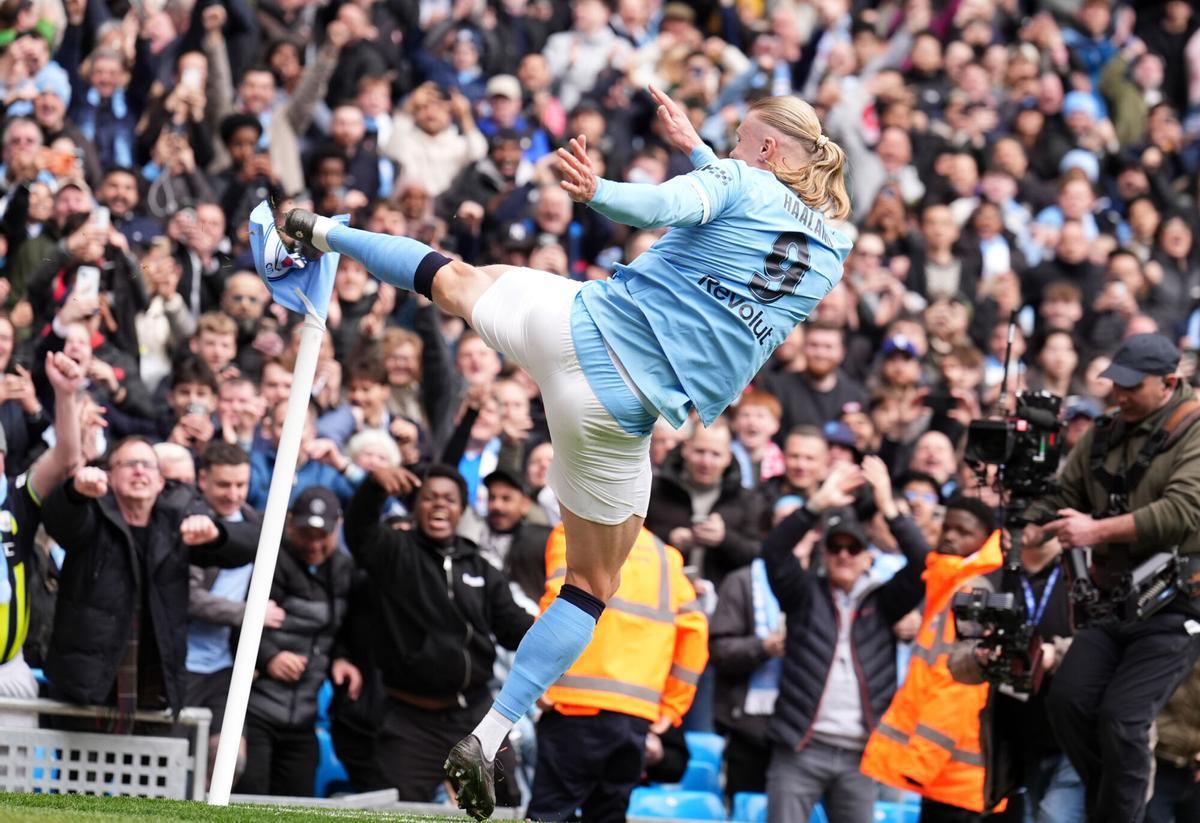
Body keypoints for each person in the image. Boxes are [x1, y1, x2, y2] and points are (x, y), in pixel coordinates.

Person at [277, 84, 850, 819]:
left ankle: (320, 231)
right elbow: (752, 213)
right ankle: (490, 733)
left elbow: (666, 205)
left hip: (573, 325)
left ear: (766, 149)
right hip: (616, 413)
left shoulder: (738, 180)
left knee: (456, 277)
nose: (731, 149)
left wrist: (599, 190)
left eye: (740, 138)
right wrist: (703, 151)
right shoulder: (832, 250)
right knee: (590, 583)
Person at [1024, 333, 1200, 823]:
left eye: (1132, 386)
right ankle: (1109, 805)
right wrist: (1031, 523)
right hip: (1112, 598)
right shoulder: (1104, 432)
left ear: (1169, 383)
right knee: (1069, 700)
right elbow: (1064, 493)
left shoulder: (1195, 431)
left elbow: (1183, 511)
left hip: (1176, 603)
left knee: (1124, 718)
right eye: (1115, 383)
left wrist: (1095, 530)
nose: (1119, 394)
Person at [342, 464, 534, 807]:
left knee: (503, 807)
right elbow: (359, 531)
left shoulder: (480, 568)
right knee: (395, 811)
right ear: (416, 506)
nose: (439, 505)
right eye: (430, 498)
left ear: (462, 509)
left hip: (475, 716)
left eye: (449, 499)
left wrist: (558, 630)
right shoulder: (393, 551)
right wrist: (373, 489)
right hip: (409, 719)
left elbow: (513, 628)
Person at [40, 435, 255, 726]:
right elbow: (58, 520)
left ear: (160, 482)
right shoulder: (92, 514)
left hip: (154, 691)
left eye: (147, 465)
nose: (139, 471)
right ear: (110, 475)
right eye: (129, 464)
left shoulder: (177, 524)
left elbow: (252, 543)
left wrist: (217, 533)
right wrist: (74, 492)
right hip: (88, 690)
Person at [761, 459, 930, 823]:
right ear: (824, 554)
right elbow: (774, 552)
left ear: (869, 556)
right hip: (801, 747)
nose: (843, 555)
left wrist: (889, 508)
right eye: (835, 547)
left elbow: (924, 564)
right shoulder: (804, 594)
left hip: (860, 754)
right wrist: (815, 505)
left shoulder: (884, 603)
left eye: (853, 548)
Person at [526, 524, 708, 822]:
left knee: (549, 815)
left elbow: (557, 606)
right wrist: (671, 708)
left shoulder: (572, 532)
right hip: (634, 717)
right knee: (609, 814)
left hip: (575, 708)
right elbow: (695, 633)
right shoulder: (666, 556)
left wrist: (537, 680)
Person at [859, 493, 1004, 822]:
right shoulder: (953, 582)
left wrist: (920, 762)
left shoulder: (975, 591)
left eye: (963, 532)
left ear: (985, 539)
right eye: (947, 527)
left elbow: (960, 687)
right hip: (947, 774)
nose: (950, 536)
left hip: (956, 775)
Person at [238, 487, 358, 797]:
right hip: (257, 711)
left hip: (304, 716)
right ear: (290, 523)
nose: (314, 544)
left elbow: (342, 629)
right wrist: (270, 658)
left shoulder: (344, 568)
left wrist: (342, 658)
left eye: (323, 536)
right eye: (306, 534)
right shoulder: (271, 561)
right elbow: (241, 624)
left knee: (298, 802)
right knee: (249, 802)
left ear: (338, 527)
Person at [0, 351, 83, 726]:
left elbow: (66, 456)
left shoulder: (15, 497)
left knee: (16, 767)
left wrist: (65, 394)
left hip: (10, 670)